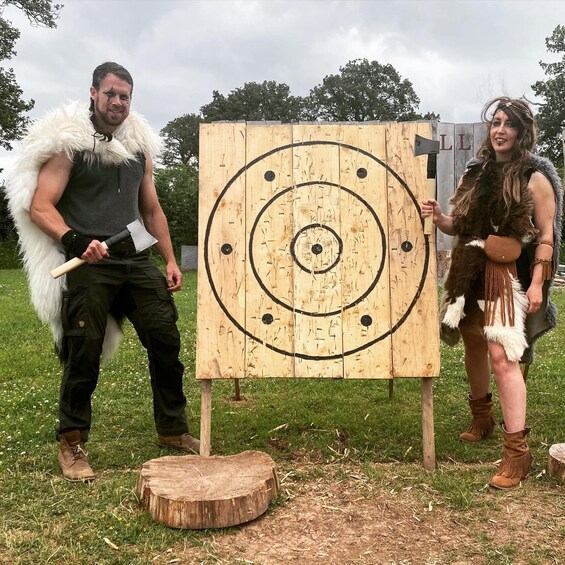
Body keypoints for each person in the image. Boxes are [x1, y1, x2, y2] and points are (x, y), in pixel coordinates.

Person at [6, 62, 199, 482]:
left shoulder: (138, 150)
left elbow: (151, 209)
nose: (118, 102)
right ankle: (72, 440)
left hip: (136, 258)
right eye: (111, 93)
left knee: (165, 339)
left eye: (125, 96)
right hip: (90, 262)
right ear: (93, 93)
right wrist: (75, 240)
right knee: (83, 350)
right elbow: (40, 205)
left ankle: (173, 430)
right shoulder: (69, 145)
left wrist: (168, 259)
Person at [422, 97, 562, 489]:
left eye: (509, 124)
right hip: (469, 274)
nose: (499, 130)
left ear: (523, 132)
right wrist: (439, 217)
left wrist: (536, 284)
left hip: (506, 278)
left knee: (502, 356)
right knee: (472, 344)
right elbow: (459, 226)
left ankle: (517, 453)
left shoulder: (535, 178)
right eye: (495, 123)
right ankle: (481, 417)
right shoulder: (476, 172)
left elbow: (547, 238)